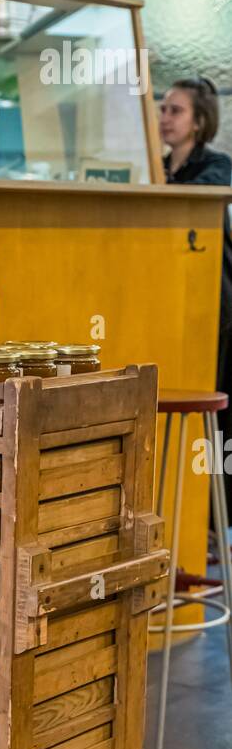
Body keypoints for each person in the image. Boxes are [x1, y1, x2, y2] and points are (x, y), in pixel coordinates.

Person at [160, 78, 232, 505]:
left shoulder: (218, 167)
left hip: (214, 300)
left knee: (216, 404)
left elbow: (190, 204)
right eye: (164, 109)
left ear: (199, 121)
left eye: (176, 110)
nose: (165, 118)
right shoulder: (156, 166)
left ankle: (210, 516)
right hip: (174, 297)